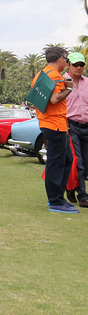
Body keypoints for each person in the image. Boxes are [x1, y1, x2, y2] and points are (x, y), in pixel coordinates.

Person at [36, 46, 76, 213]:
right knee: (56, 162)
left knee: (66, 159)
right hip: (54, 124)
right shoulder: (53, 75)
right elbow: (54, 99)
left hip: (52, 123)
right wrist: (69, 88)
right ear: (61, 59)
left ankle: (57, 196)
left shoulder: (42, 74)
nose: (67, 63)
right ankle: (55, 201)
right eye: (66, 60)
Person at [65, 52, 88, 208]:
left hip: (86, 126)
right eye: (76, 65)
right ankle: (83, 196)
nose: (79, 67)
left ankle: (71, 186)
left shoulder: (87, 83)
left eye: (82, 64)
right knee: (78, 161)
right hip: (71, 126)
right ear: (68, 65)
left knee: (86, 163)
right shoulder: (62, 82)